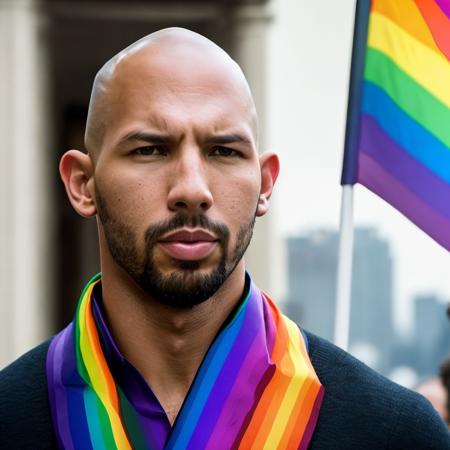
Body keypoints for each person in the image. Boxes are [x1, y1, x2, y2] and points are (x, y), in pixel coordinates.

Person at [1, 28, 449, 450]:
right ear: (83, 183)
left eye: (224, 152)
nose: (193, 190)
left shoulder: (394, 434)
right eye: (150, 149)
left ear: (264, 183)